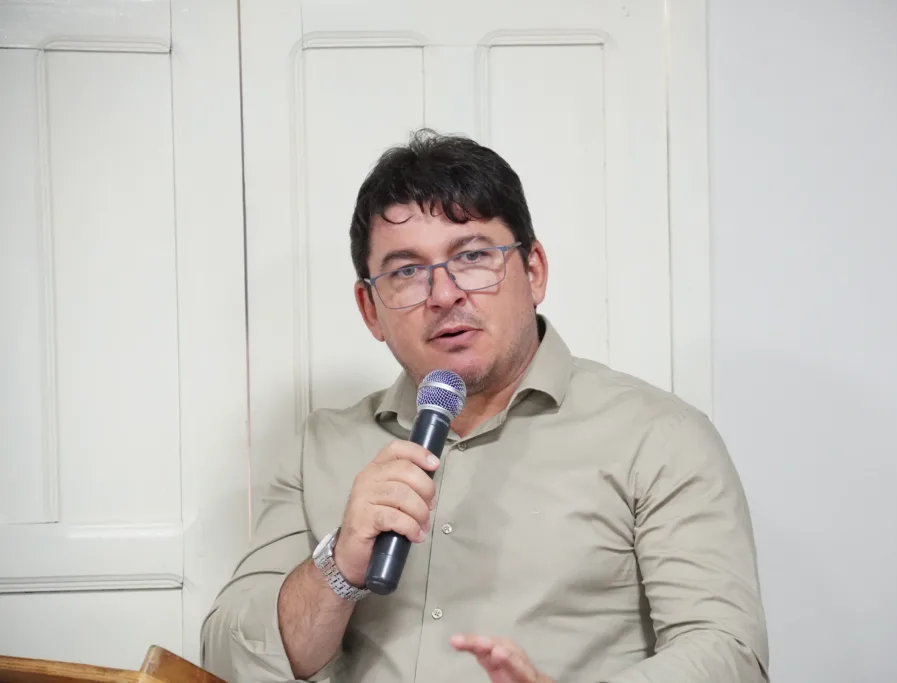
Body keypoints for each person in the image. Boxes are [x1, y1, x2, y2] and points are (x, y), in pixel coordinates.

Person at [200, 129, 770, 683]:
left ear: (534, 271)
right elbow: (228, 662)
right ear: (371, 310)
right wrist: (338, 566)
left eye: (472, 256)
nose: (444, 294)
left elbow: (729, 654)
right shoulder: (321, 447)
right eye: (406, 271)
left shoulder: (658, 436)